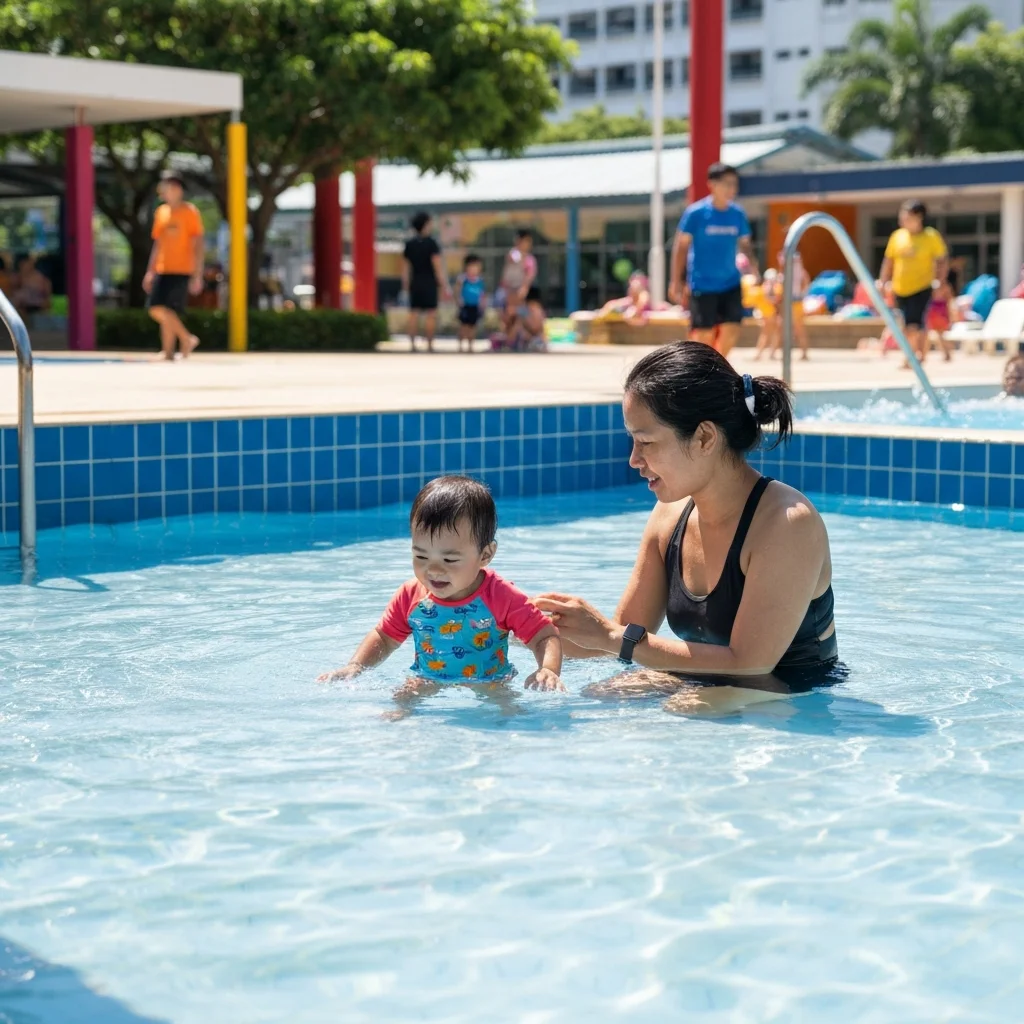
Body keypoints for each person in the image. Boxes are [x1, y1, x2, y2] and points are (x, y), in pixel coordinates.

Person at [534, 342, 840, 715]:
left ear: (705, 438)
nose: (633, 460)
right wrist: (519, 625)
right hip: (709, 682)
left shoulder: (786, 524)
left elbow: (751, 663)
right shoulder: (670, 516)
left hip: (799, 697)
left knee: (686, 708)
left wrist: (613, 636)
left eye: (646, 442)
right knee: (605, 695)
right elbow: (620, 636)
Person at [317, 476, 564, 713]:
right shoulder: (411, 595)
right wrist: (355, 666)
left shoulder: (501, 596)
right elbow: (384, 637)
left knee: (511, 713)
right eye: (421, 556)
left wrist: (549, 669)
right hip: (427, 677)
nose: (433, 569)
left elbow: (543, 635)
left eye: (450, 559)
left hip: (490, 680)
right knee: (396, 709)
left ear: (485, 555)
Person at [669, 163, 757, 357]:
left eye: (734, 184)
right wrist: (676, 280)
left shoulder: (737, 214)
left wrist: (755, 271)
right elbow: (681, 247)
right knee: (704, 335)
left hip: (730, 282)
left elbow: (745, 245)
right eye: (726, 184)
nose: (731, 189)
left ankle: (719, 367)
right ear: (712, 184)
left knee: (733, 327)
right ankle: (701, 370)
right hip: (703, 283)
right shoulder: (696, 214)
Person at [877, 199, 948, 366]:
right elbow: (889, 261)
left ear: (919, 217)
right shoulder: (897, 236)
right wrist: (883, 281)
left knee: (914, 324)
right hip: (900, 288)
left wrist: (940, 281)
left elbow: (942, 261)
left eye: (907, 216)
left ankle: (912, 358)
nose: (902, 219)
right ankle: (918, 355)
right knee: (907, 325)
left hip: (921, 287)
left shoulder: (931, 236)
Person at [143, 175, 204, 360]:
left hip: (182, 268)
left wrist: (197, 274)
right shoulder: (161, 212)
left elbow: (198, 244)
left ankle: (174, 347)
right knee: (157, 308)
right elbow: (158, 244)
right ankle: (181, 341)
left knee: (168, 309)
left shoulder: (190, 211)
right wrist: (150, 270)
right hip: (163, 268)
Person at [401, 212, 450, 353]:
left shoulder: (409, 245)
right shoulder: (432, 244)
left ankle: (412, 345)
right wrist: (443, 283)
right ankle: (429, 344)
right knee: (431, 314)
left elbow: (405, 267)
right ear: (425, 224)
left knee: (414, 313)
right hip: (429, 282)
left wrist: (405, 284)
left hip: (415, 282)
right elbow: (437, 265)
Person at [497, 229, 537, 335]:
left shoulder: (530, 259)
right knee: (506, 314)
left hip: (519, 290)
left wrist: (524, 287)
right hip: (508, 290)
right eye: (525, 241)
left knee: (519, 313)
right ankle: (507, 336)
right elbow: (513, 259)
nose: (527, 245)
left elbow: (530, 275)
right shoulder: (514, 253)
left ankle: (517, 336)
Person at [454, 253, 487, 353]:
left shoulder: (480, 280)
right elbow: (457, 291)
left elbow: (482, 293)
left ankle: (470, 346)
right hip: (465, 306)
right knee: (463, 326)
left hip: (475, 306)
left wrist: (483, 303)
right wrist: (458, 301)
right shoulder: (463, 279)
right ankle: (460, 345)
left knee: (473, 326)